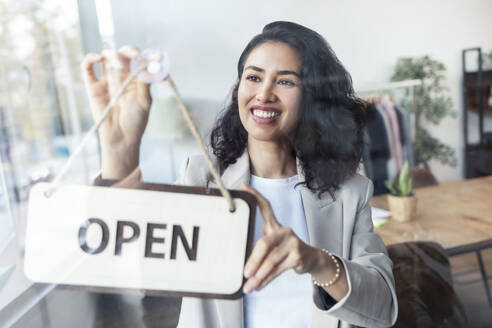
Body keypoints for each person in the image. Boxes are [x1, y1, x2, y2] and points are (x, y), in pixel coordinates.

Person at [82, 21, 398, 328]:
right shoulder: (202, 179)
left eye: (285, 81)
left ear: (311, 99)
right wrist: (118, 154)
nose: (264, 94)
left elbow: (383, 309)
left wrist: (316, 261)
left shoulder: (349, 192)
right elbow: (131, 262)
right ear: (239, 88)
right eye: (254, 77)